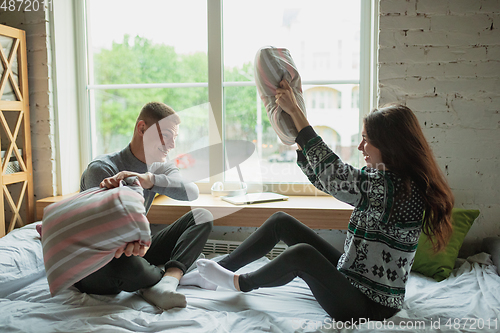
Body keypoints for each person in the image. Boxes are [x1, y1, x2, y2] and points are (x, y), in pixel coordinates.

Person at [196, 80, 454, 322]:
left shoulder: (397, 189)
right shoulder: (385, 179)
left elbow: (336, 176)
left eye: (367, 140)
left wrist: (297, 115)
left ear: (390, 146)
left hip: (369, 306)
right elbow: (327, 181)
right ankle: (215, 271)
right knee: (281, 222)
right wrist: (299, 143)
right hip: (353, 278)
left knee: (302, 255)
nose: (361, 147)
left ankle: (241, 282)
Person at [75, 101, 214, 310]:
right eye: (166, 135)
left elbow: (191, 192)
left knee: (202, 216)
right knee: (124, 262)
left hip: (134, 248)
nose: (172, 145)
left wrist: (150, 180)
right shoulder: (103, 168)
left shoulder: (160, 169)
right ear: (142, 129)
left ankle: (168, 280)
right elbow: (108, 232)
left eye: (174, 138)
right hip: (99, 261)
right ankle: (176, 269)